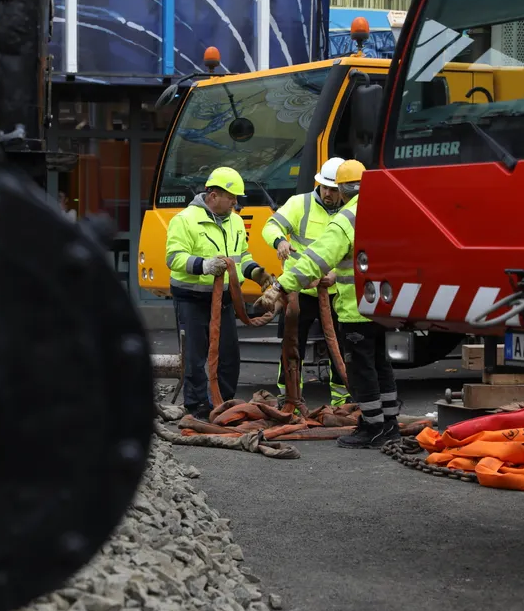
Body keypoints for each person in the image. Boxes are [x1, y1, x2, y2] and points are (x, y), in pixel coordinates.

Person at [255, 160, 399, 449]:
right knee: (380, 365)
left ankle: (372, 427)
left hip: (356, 308)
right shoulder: (384, 208)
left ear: (344, 189)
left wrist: (280, 286)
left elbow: (316, 258)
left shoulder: (348, 217)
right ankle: (389, 424)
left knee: (362, 368)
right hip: (382, 305)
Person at [165, 167, 274, 420]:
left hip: (222, 300)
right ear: (213, 195)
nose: (236, 202)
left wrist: (256, 272)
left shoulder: (235, 221)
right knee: (194, 357)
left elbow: (241, 256)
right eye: (231, 197)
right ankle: (198, 407)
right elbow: (173, 258)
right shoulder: (184, 220)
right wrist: (205, 265)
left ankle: (224, 403)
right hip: (192, 300)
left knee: (228, 356)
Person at [261, 157, 350, 407]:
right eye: (326, 188)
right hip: (298, 292)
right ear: (318, 184)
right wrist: (280, 241)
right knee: (291, 346)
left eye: (335, 189)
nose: (330, 194)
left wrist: (335, 275)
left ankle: (342, 404)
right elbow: (271, 226)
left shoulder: (350, 210)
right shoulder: (300, 204)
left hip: (333, 291)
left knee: (340, 349)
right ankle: (289, 399)